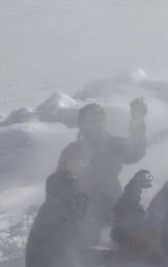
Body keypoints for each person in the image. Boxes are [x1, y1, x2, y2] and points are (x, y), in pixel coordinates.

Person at [56, 98, 148, 233]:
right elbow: (59, 182)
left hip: (112, 203)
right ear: (81, 125)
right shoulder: (73, 150)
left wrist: (137, 121)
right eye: (90, 121)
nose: (96, 125)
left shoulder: (112, 144)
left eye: (99, 120)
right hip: (82, 208)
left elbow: (135, 151)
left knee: (125, 234)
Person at [24, 171, 89, 267]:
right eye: (74, 190)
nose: (77, 194)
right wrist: (104, 257)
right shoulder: (58, 216)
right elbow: (71, 254)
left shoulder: (53, 209)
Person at [110, 169, 154, 246]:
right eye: (137, 192)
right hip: (123, 239)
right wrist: (135, 183)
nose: (138, 195)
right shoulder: (124, 204)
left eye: (139, 192)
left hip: (127, 239)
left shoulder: (133, 206)